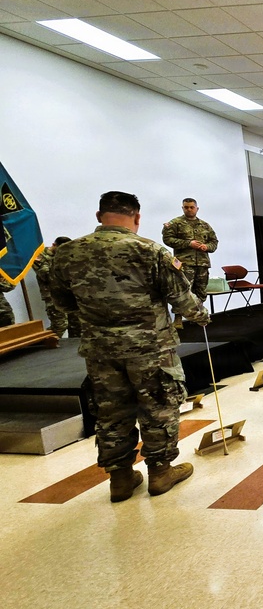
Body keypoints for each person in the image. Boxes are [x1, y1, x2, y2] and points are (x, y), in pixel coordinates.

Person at [48, 191, 210, 503]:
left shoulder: (67, 253)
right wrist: (201, 316)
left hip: (100, 350)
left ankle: (120, 479)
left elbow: (61, 301)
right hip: (150, 348)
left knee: (111, 411)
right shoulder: (149, 250)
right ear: (136, 217)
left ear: (99, 217)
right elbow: (181, 298)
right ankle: (160, 472)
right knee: (158, 407)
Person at [161, 198, 218, 328]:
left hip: (202, 263)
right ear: (182, 208)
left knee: (201, 291)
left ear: (197, 208)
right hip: (185, 263)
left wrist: (206, 247)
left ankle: (199, 317)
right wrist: (188, 243)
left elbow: (214, 242)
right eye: (186, 207)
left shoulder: (205, 225)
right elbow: (167, 239)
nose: (189, 209)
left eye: (192, 207)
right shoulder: (175, 223)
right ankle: (178, 318)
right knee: (183, 290)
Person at [33, 236, 80, 337]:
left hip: (69, 294)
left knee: (76, 325)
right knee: (60, 325)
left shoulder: (66, 255)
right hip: (52, 295)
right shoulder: (40, 256)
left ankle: (73, 351)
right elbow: (46, 275)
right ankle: (44, 346)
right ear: (54, 245)